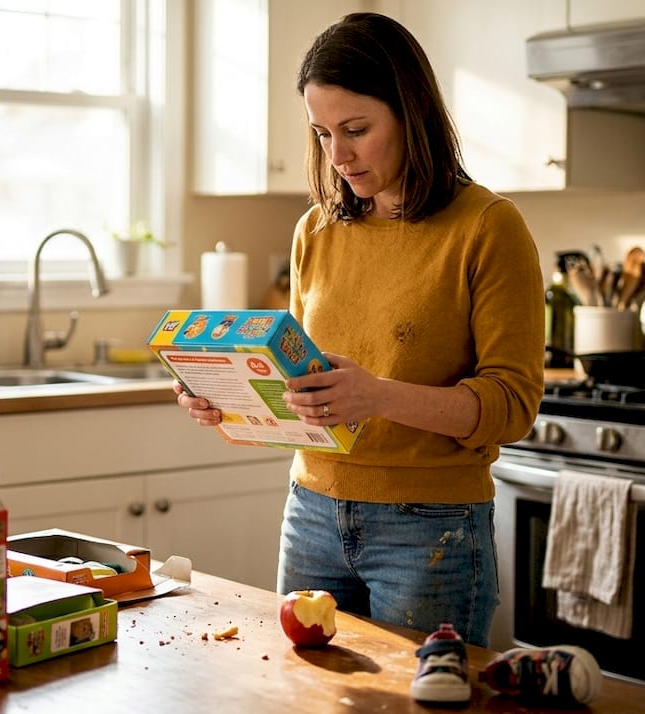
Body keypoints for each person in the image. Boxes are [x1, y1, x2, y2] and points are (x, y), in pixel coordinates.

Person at [173, 12, 544, 648]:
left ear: (411, 113)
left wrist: (378, 395)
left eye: (356, 130)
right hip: (311, 513)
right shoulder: (314, 232)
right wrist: (229, 398)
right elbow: (302, 384)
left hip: (431, 528)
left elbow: (512, 408)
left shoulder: (487, 227)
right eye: (321, 134)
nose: (337, 155)